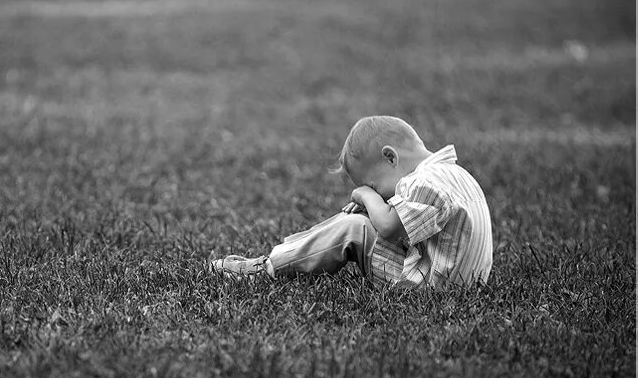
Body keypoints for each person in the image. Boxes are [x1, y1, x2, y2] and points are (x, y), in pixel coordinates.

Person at [211, 116, 493, 288]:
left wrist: (365, 196)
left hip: (429, 286)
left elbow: (389, 228)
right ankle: (293, 250)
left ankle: (267, 268)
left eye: (373, 184)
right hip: (464, 281)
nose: (378, 194)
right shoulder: (454, 174)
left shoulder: (422, 182)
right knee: (359, 221)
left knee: (353, 228)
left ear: (390, 157)